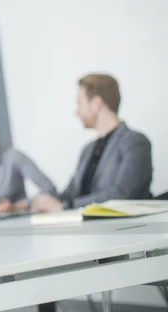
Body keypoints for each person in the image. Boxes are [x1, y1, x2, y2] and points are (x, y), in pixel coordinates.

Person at [32, 74, 153, 212]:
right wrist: (48, 201)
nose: (76, 111)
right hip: (86, 228)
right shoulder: (87, 150)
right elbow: (70, 194)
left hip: (123, 230)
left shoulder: (135, 142)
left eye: (79, 103)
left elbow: (123, 195)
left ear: (96, 103)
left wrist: (67, 206)